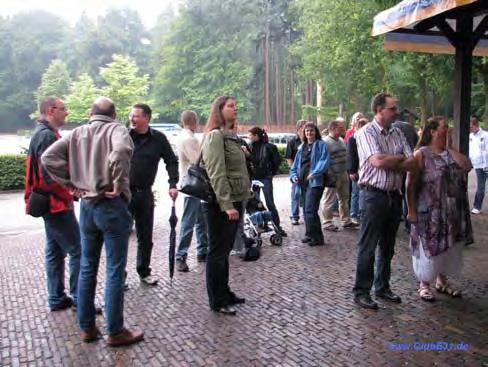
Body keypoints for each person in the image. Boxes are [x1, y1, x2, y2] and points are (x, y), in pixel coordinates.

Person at [41, 97, 143, 346]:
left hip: (86, 206)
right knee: (114, 269)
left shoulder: (77, 133)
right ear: (114, 113)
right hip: (110, 205)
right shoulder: (116, 129)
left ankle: (87, 328)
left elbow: (48, 158)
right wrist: (119, 184)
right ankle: (115, 331)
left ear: (91, 112)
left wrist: (72, 185)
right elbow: (119, 152)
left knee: (87, 266)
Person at [352, 92, 416, 310]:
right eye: (392, 108)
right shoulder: (365, 132)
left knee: (388, 246)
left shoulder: (397, 132)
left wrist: (395, 161)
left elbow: (412, 163)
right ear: (379, 110)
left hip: (393, 196)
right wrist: (398, 160)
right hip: (373, 196)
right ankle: (361, 291)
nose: (396, 112)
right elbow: (378, 161)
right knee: (368, 246)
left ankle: (382, 287)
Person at [24, 96, 81, 312]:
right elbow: (51, 177)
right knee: (78, 250)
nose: (66, 113)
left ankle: (57, 297)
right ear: (50, 110)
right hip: (56, 204)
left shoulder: (41, 134)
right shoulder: (47, 136)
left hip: (49, 204)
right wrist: (73, 191)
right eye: (63, 109)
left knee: (55, 251)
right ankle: (79, 299)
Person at [406, 117, 471, 301]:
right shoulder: (421, 154)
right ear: (433, 131)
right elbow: (410, 184)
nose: (447, 129)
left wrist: (448, 147)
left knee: (447, 246)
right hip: (430, 211)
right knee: (428, 246)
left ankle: (442, 280)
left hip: (451, 211)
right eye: (444, 127)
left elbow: (467, 166)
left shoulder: (450, 153)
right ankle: (424, 283)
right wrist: (411, 210)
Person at [202, 96, 250, 315]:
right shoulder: (215, 136)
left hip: (235, 201)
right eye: (230, 106)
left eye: (235, 105)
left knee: (225, 251)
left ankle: (225, 291)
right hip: (221, 205)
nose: (235, 108)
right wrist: (226, 204)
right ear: (219, 110)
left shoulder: (231, 137)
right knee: (217, 252)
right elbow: (217, 173)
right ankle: (217, 299)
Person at [128, 103, 178, 284]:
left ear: (147, 118)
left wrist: (173, 183)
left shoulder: (159, 139)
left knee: (145, 236)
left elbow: (171, 161)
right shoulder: (123, 137)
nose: (132, 119)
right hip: (123, 194)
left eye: (136, 116)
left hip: (144, 193)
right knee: (120, 237)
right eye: (131, 116)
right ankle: (120, 276)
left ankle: (144, 271)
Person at [175, 110, 208, 272]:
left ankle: (202, 251)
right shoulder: (188, 139)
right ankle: (181, 255)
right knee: (189, 222)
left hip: (192, 186)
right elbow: (198, 161)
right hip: (193, 186)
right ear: (194, 121)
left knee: (201, 220)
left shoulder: (184, 136)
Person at [290, 122, 330, 246]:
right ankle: (309, 234)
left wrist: (315, 173)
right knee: (306, 210)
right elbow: (296, 165)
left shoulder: (321, 145)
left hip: (315, 182)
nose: (309, 133)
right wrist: (294, 176)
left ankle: (318, 238)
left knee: (311, 209)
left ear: (315, 132)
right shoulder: (302, 147)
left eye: (311, 130)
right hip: (302, 183)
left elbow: (325, 161)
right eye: (307, 131)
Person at [248, 126, 287, 236]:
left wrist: (271, 174)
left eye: (250, 135)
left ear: (256, 136)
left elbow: (277, 161)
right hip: (255, 178)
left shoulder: (269, 147)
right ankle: (258, 226)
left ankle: (277, 226)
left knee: (270, 203)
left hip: (265, 178)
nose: (249, 137)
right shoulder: (250, 147)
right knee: (255, 203)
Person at [321, 119, 358, 231]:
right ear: (332, 128)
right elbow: (323, 160)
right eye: (340, 128)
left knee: (344, 198)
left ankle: (346, 221)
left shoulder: (341, 140)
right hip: (332, 175)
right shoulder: (325, 142)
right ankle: (327, 222)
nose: (343, 129)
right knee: (329, 199)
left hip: (343, 173)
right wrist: (329, 174)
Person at [346, 117, 368, 224]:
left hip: (365, 171)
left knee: (363, 193)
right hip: (356, 170)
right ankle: (354, 215)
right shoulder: (352, 139)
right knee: (356, 193)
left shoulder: (367, 139)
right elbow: (350, 156)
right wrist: (351, 171)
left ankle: (361, 214)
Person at [285, 120, 306, 225]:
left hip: (307, 173)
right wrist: (294, 172)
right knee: (295, 194)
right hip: (296, 172)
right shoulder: (292, 141)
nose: (304, 129)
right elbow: (289, 158)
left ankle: (307, 215)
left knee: (306, 194)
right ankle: (295, 216)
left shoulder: (310, 141)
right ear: (298, 129)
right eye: (302, 127)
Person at [469, 115, 488, 214]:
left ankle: (477, 206)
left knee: (481, 186)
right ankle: (477, 205)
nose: (470, 129)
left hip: (484, 164)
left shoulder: (485, 135)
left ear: (476, 125)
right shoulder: (470, 136)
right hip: (476, 163)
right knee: (480, 186)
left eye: (471, 127)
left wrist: (486, 164)